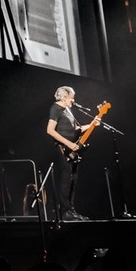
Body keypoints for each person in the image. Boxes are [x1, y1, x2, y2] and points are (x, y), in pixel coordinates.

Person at [44, 86, 93, 224]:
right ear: (64, 97)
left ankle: (71, 210)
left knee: (73, 179)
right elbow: (50, 130)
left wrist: (92, 124)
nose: (73, 99)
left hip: (72, 150)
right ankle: (65, 211)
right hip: (63, 149)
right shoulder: (55, 109)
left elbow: (77, 129)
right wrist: (69, 144)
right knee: (67, 178)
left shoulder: (68, 110)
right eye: (72, 96)